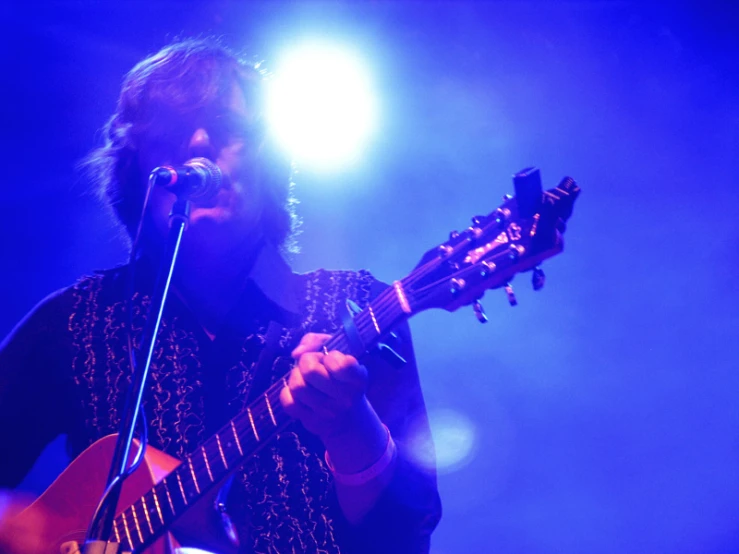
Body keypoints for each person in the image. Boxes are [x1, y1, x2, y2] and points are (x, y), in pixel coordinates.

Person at [0, 38, 441, 553]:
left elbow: (407, 537)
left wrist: (350, 429)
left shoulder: (352, 307)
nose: (199, 143)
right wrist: (33, 534)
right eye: (170, 131)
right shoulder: (77, 323)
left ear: (268, 162)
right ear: (138, 169)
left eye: (229, 130)